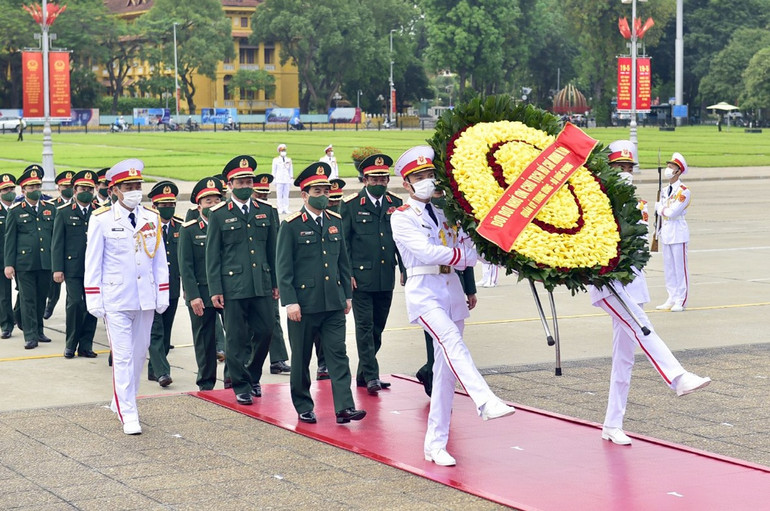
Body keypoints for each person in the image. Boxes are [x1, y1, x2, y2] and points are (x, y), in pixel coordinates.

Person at [390, 146, 515, 467]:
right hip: (425, 294)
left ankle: (435, 444)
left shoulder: (447, 215)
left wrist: (506, 251)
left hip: (452, 292)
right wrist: (464, 256)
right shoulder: (402, 218)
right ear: (406, 184)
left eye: (431, 175)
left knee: (444, 375)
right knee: (451, 341)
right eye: (419, 177)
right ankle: (485, 399)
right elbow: (428, 252)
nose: (427, 181)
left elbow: (470, 246)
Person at [590, 141, 711, 446]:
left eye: (629, 168)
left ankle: (612, 424)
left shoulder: (639, 204)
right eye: (620, 168)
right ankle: (677, 377)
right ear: (608, 169)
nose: (626, 174)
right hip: (608, 283)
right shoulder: (595, 202)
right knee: (643, 327)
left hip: (632, 283)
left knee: (624, 360)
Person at [84, 158, 169, 435]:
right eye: (128, 186)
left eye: (137, 185)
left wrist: (162, 291)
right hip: (116, 297)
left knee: (139, 354)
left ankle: (120, 399)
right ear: (115, 190)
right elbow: (93, 261)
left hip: (145, 297)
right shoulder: (101, 219)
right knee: (122, 356)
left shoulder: (152, 217)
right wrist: (94, 297)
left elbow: (159, 260)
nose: (135, 190)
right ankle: (128, 412)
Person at [276, 162, 365, 425]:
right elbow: (284, 268)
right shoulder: (291, 225)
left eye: (326, 189)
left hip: (333, 303)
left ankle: (344, 408)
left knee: (338, 355)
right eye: (317, 190)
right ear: (304, 195)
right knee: (302, 358)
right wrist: (290, 302)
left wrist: (347, 295)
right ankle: (303, 404)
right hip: (304, 305)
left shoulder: (335, 221)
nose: (324, 194)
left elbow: (343, 262)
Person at [206, 155, 277, 405]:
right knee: (235, 338)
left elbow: (273, 250)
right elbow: (212, 254)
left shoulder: (267, 211)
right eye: (241, 182)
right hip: (233, 286)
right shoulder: (218, 214)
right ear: (230, 184)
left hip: (261, 283)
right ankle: (240, 385)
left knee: (266, 330)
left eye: (249, 181)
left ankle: (253, 374)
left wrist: (275, 283)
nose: (246, 186)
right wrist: (215, 288)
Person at [341, 153, 403, 395]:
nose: (379, 183)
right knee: (364, 328)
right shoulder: (350, 205)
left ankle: (363, 374)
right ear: (364, 179)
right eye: (374, 179)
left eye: (383, 178)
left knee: (378, 328)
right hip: (360, 278)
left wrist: (405, 270)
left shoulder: (396, 204)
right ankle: (372, 376)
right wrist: (347, 274)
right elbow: (343, 243)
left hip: (385, 275)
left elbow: (401, 241)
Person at [415, 188, 477, 397]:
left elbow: (464, 252)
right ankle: (434, 382)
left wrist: (470, 289)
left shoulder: (454, 211)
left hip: (453, 281)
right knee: (438, 338)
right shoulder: (419, 213)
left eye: (442, 192)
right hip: (430, 284)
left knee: (450, 340)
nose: (439, 196)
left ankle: (433, 377)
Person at [179, 177, 229, 390]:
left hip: (227, 292)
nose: (212, 204)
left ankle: (232, 379)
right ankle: (206, 382)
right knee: (205, 341)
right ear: (198, 205)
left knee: (235, 338)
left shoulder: (228, 225)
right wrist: (193, 296)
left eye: (216, 200)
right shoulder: (189, 229)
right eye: (207, 201)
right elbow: (186, 266)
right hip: (201, 292)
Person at [3, 165, 56, 350]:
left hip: (45, 261)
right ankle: (30, 335)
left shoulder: (50, 208)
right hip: (24, 263)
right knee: (27, 300)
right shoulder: (16, 210)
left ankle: (39, 330)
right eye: (31, 187)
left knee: (41, 297)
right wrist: (9, 264)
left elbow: (54, 238)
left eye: (38, 186)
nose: (35, 190)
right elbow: (10, 240)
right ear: (23, 190)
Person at [51, 170, 100, 358]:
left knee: (92, 305)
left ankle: (86, 344)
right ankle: (71, 343)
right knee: (75, 303)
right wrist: (57, 268)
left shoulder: (99, 212)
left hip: (94, 268)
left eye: (89, 188)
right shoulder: (63, 212)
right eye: (82, 188)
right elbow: (57, 243)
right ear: (74, 189)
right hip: (72, 267)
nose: (86, 191)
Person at [146, 181, 184, 387]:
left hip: (172, 288)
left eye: (171, 203)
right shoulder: (147, 228)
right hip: (152, 287)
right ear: (154, 206)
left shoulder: (181, 226)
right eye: (163, 204)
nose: (168, 207)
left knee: (166, 331)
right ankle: (162, 372)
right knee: (155, 331)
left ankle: (154, 369)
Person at [655, 152, 690, 312]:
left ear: (678, 171)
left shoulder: (684, 191)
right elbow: (664, 215)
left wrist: (660, 208)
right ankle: (671, 297)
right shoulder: (664, 190)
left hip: (678, 232)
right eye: (668, 167)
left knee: (680, 268)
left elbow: (672, 213)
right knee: (669, 268)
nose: (668, 170)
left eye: (671, 167)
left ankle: (680, 300)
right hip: (667, 232)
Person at [43, 171, 75, 320]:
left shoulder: (82, 204)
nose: (67, 188)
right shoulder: (52, 206)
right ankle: (51, 304)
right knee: (53, 285)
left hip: (73, 252)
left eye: (70, 186)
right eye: (64, 186)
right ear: (58, 188)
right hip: (55, 250)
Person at [0, 173, 18, 339]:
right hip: (1, 259)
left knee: (25, 293)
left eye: (11, 188)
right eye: (6, 189)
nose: (9, 192)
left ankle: (18, 315)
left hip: (21, 258)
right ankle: (6, 324)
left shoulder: (20, 208)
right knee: (4, 295)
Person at [271, 144, 293, 214]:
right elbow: (274, 170)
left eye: (284, 150)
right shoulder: (275, 160)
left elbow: (290, 170)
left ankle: (286, 208)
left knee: (286, 195)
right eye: (282, 150)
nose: (283, 151)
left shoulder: (288, 159)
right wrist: (273, 179)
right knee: (279, 195)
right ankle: (280, 208)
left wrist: (291, 178)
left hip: (286, 179)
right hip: (279, 179)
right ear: (279, 151)